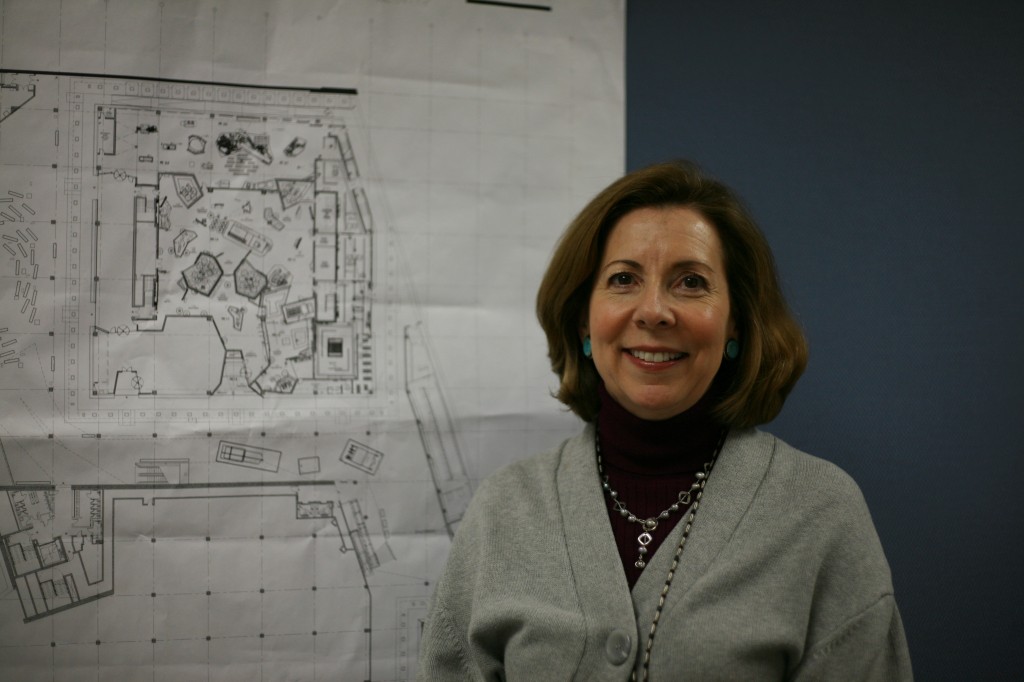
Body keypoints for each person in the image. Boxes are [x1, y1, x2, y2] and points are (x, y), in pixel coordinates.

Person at [417, 160, 912, 681]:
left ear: (736, 323)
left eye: (691, 282)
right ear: (584, 320)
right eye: (623, 279)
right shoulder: (502, 512)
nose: (653, 311)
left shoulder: (821, 513)